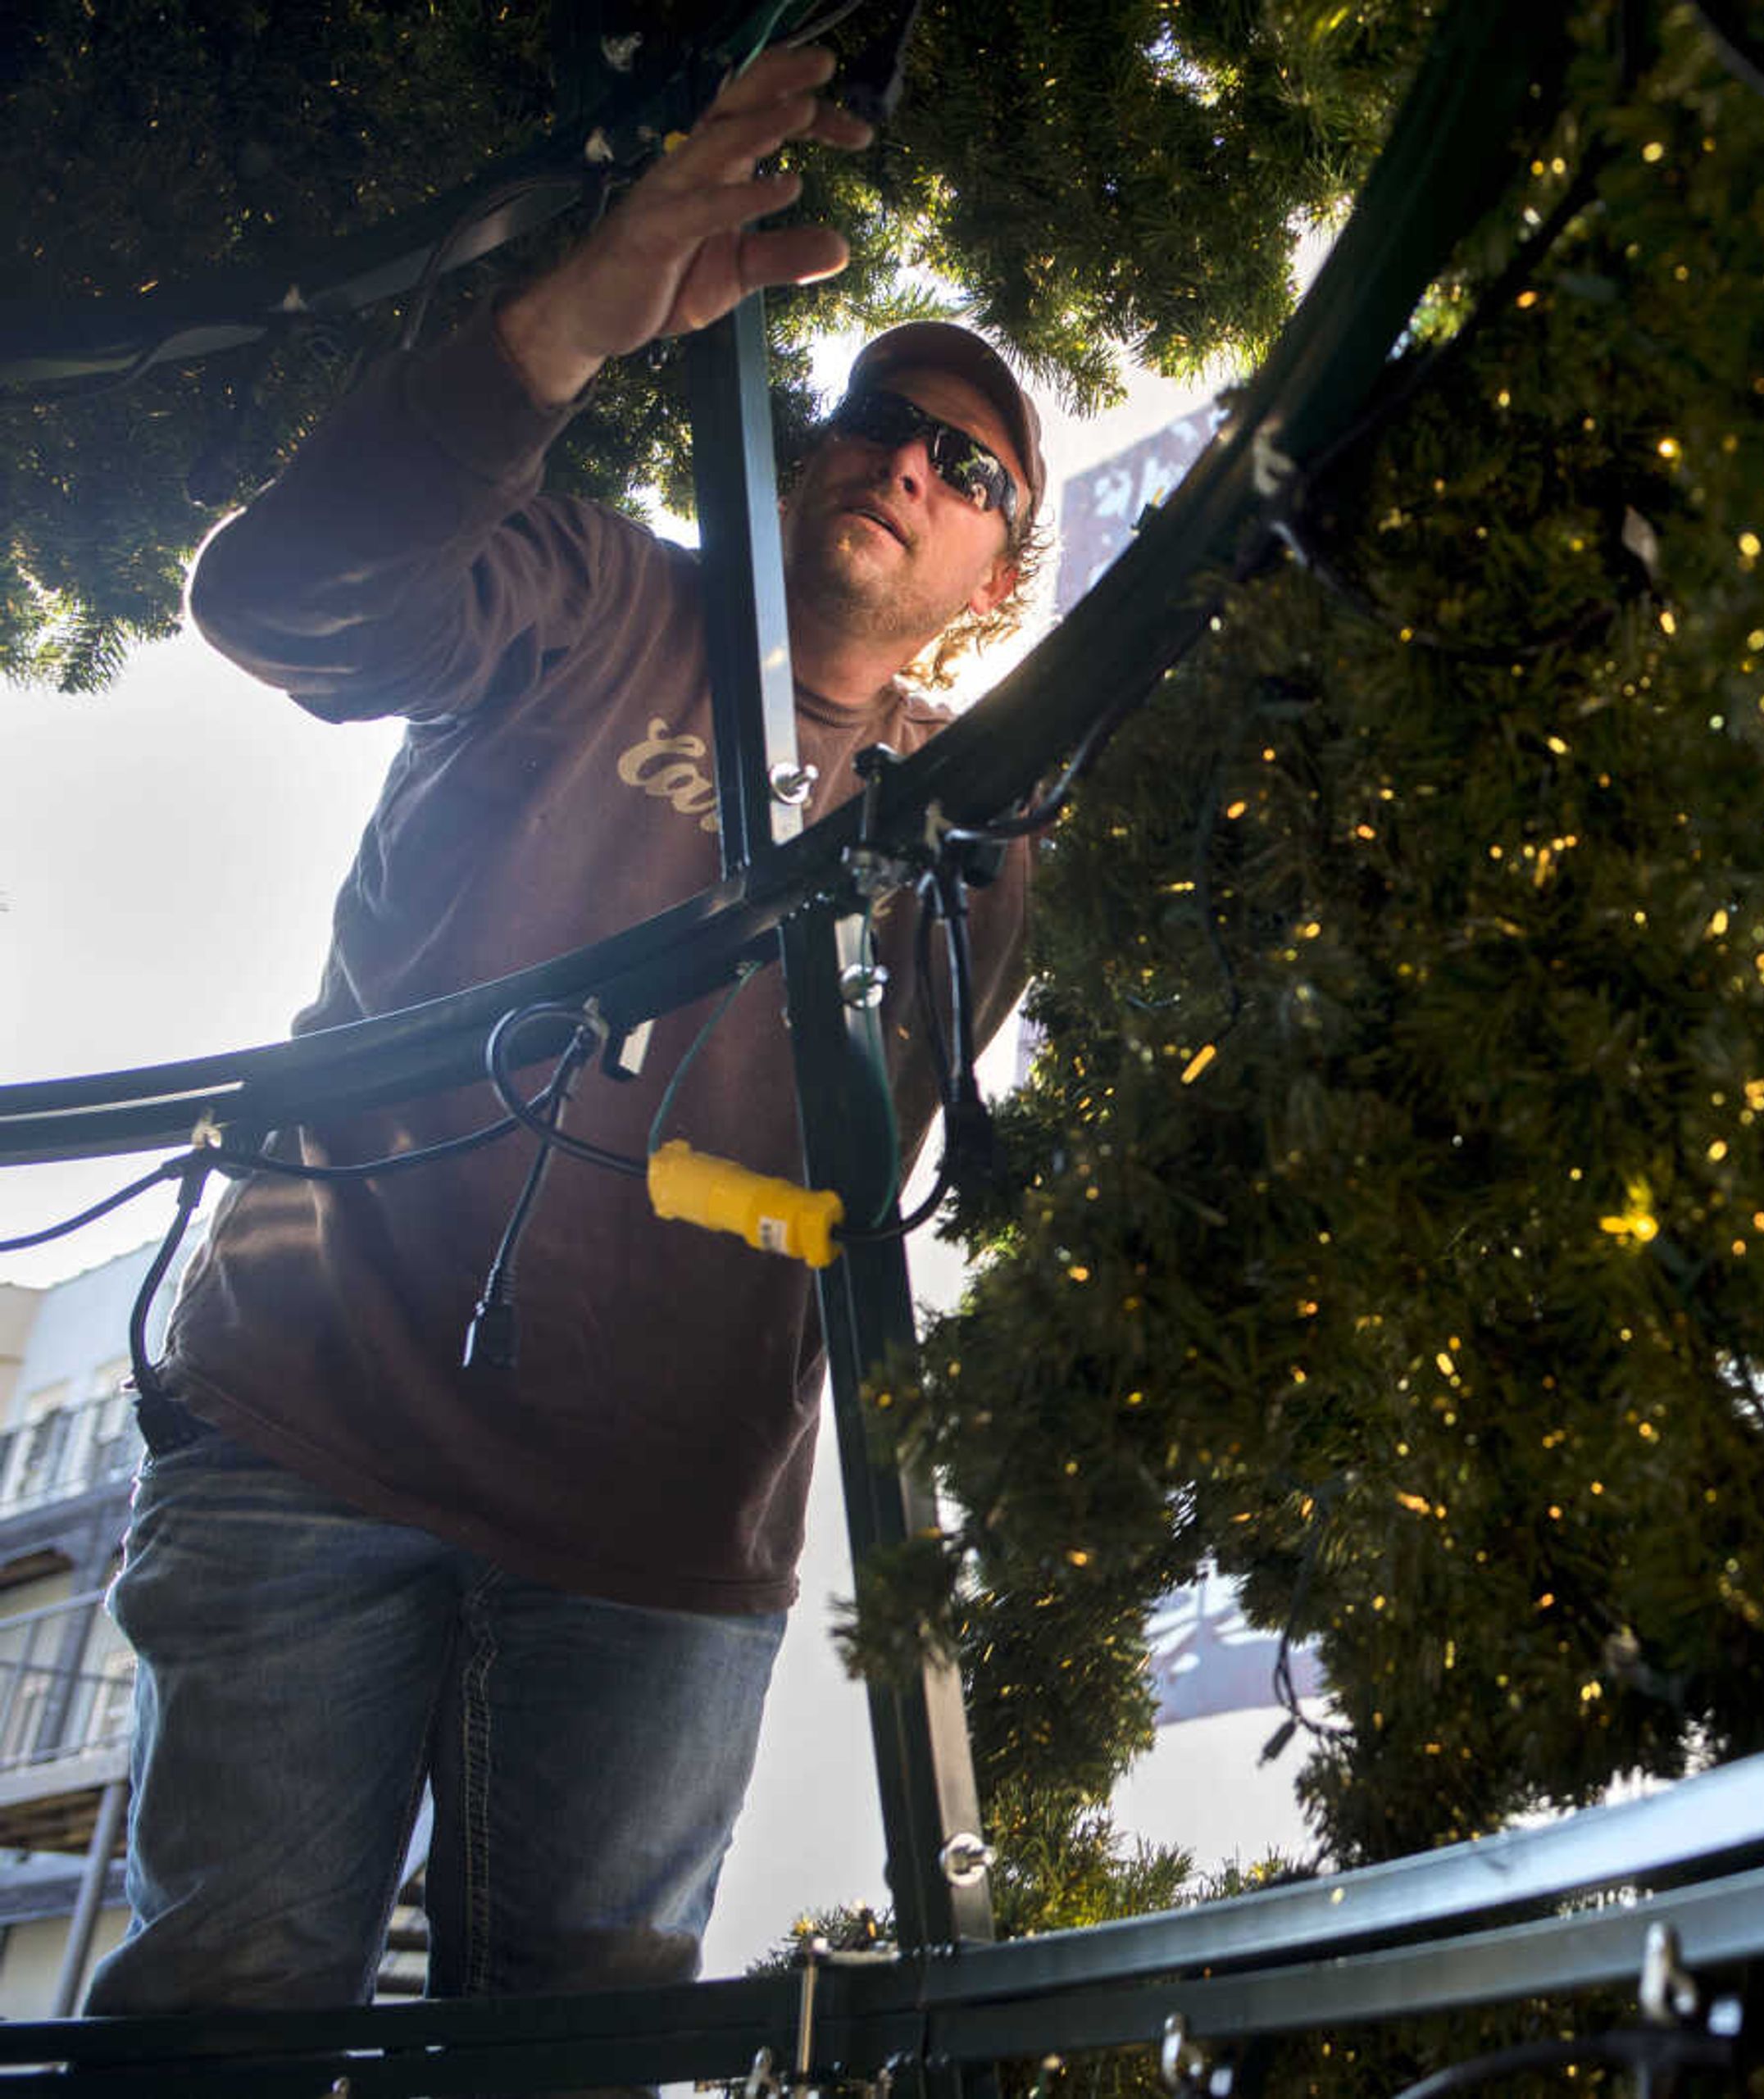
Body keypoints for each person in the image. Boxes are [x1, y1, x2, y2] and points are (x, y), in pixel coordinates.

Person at [87, 47, 1038, 2030]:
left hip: (658, 1527)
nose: (910, 466)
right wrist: (582, 316)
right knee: (220, 2030)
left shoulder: (979, 826)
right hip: (315, 1417)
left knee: (576, 2062)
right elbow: (284, 606)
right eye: (883, 416)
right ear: (808, 436)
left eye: (974, 472)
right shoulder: (601, 586)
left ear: (996, 584)